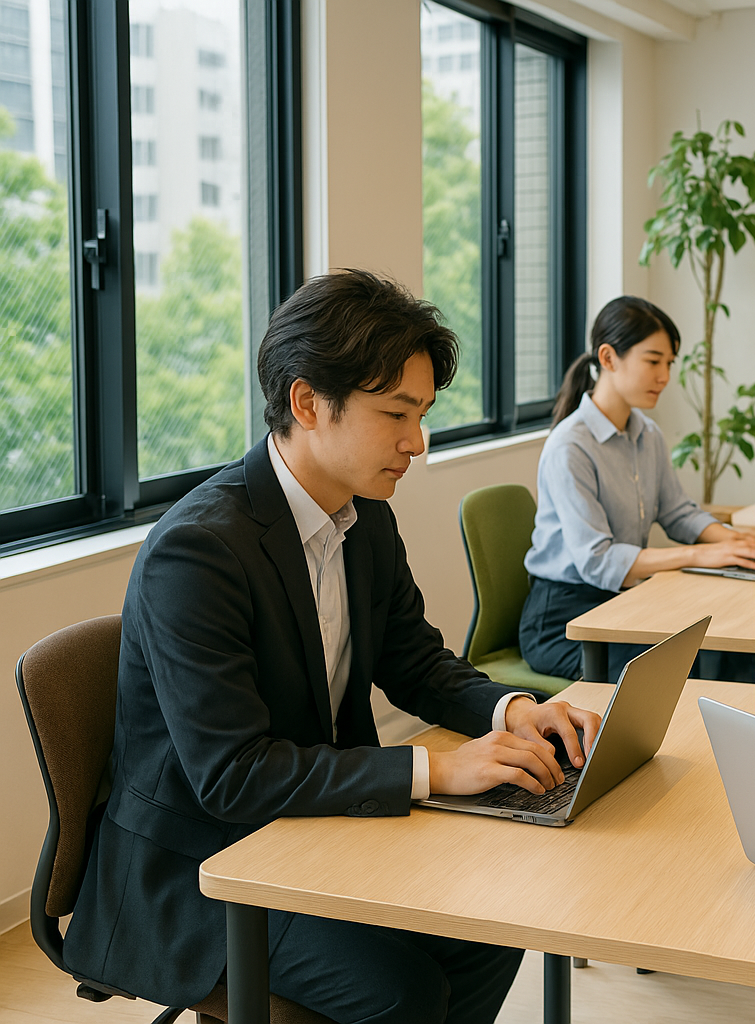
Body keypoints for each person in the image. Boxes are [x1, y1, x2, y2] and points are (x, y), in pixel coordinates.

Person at [64, 269, 601, 1023]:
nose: (417, 443)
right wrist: (439, 769)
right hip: (198, 868)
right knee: (400, 988)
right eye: (397, 414)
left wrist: (512, 710)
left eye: (422, 415)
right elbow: (232, 777)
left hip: (312, 829)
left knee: (491, 928)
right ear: (308, 403)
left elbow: (414, 659)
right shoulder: (198, 552)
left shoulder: (363, 516)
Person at [520, 296, 755, 682]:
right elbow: (598, 561)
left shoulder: (648, 434)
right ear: (609, 358)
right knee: (692, 668)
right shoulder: (570, 446)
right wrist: (704, 553)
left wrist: (737, 545)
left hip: (625, 602)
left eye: (669, 364)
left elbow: (678, 512)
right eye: (653, 361)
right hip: (562, 621)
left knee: (734, 653)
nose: (664, 376)